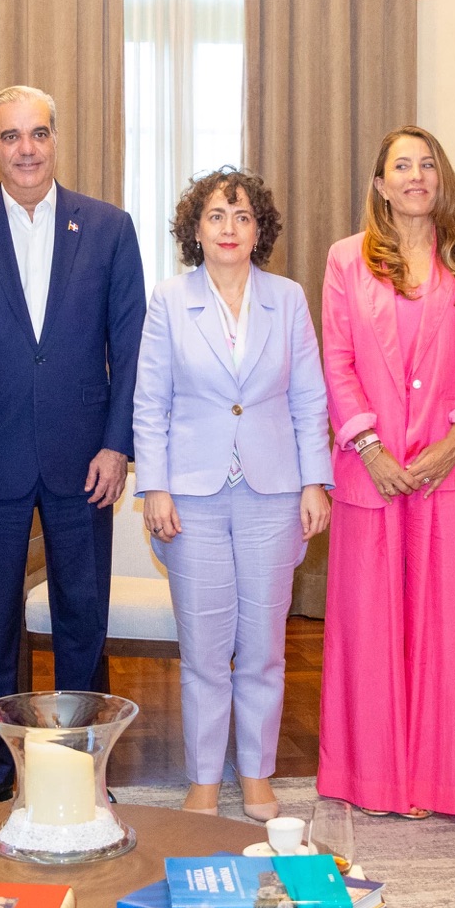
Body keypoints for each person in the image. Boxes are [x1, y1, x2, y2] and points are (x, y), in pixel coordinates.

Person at [0, 85, 147, 805]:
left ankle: (82, 770)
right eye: (11, 136)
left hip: (87, 460)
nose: (26, 148)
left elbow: (132, 346)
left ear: (56, 140)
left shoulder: (109, 228)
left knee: (84, 617)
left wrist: (118, 445)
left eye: (39, 134)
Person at [133, 171, 332, 821]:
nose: (229, 227)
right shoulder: (169, 299)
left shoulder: (288, 298)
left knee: (265, 646)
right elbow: (150, 401)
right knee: (205, 649)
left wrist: (315, 480)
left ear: (259, 229)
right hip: (190, 495)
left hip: (274, 494)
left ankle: (255, 776)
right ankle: (200, 780)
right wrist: (154, 486)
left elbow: (308, 395)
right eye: (216, 215)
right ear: (196, 229)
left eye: (242, 216)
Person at [318, 126, 455, 819]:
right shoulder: (346, 260)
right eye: (402, 164)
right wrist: (368, 446)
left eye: (427, 164)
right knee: (369, 629)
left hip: (448, 471)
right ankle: (373, 778)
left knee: (447, 627)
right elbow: (336, 358)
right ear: (381, 183)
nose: (416, 175)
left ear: (441, 177)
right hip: (372, 471)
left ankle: (441, 779)